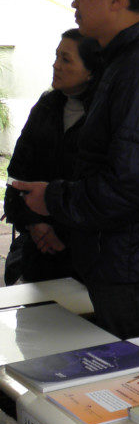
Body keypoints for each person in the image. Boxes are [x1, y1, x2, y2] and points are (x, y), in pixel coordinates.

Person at [11, 0, 139, 340]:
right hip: (121, 263)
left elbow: (133, 186)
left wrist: (54, 199)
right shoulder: (123, 64)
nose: (74, 2)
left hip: (135, 269)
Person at [4, 30, 101, 283]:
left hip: (86, 260)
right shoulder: (46, 107)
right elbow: (16, 177)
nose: (55, 65)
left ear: (90, 71)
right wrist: (35, 226)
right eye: (56, 56)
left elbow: (102, 191)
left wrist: (62, 235)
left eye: (66, 59)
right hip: (36, 251)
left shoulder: (104, 116)